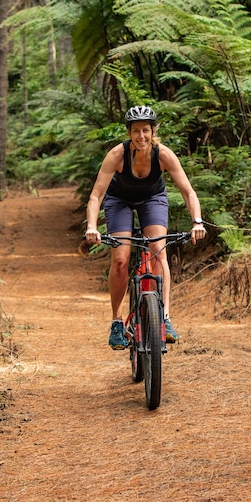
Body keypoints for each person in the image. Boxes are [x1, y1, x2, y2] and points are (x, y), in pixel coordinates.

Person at [84, 105, 206, 349]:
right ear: (129, 133)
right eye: (136, 131)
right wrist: (91, 226)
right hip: (119, 201)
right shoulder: (117, 155)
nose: (141, 136)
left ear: (153, 131)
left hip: (153, 199)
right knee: (121, 258)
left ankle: (164, 318)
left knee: (158, 251)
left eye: (146, 130)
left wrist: (197, 221)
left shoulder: (163, 155)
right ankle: (117, 322)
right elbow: (96, 195)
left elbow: (188, 192)